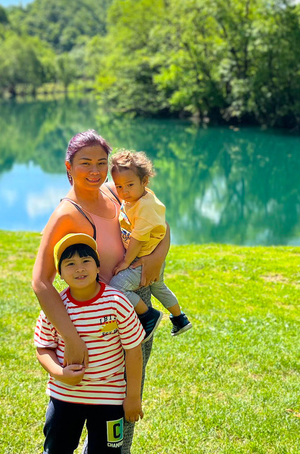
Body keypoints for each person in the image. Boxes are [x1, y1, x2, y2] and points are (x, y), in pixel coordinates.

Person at [32, 130, 169, 453]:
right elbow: (40, 281)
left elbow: (156, 215)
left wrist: (160, 252)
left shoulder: (113, 192)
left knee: (126, 405)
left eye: (101, 163)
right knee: (97, 406)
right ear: (68, 166)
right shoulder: (67, 213)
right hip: (95, 323)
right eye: (85, 164)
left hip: (134, 310)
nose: (95, 171)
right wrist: (71, 337)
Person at [34, 233, 145, 454]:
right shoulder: (55, 309)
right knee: (56, 449)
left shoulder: (116, 303)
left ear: (97, 266)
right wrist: (59, 372)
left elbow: (133, 351)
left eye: (86, 261)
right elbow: (43, 347)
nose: (79, 268)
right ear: (61, 274)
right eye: (70, 263)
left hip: (109, 398)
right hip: (64, 396)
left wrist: (132, 397)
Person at [109, 149, 192, 338]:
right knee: (158, 286)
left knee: (116, 288)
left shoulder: (145, 206)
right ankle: (180, 318)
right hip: (152, 254)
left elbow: (137, 240)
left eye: (129, 185)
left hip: (140, 258)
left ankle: (148, 316)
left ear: (145, 181)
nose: (124, 191)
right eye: (119, 186)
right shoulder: (139, 197)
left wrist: (126, 263)